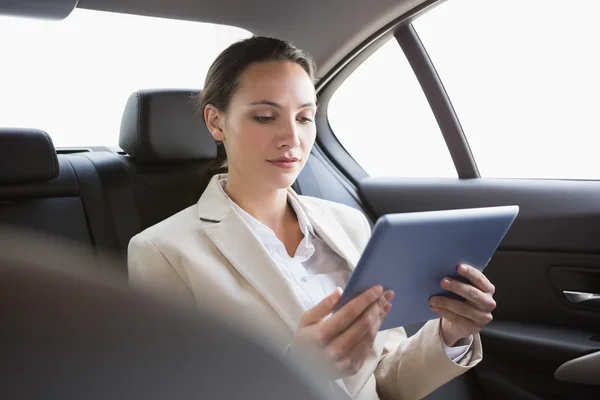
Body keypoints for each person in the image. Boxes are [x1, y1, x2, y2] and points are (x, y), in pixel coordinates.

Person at [127, 36, 497, 400]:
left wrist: (451, 334)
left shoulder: (348, 224)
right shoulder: (163, 251)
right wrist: (296, 370)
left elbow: (386, 382)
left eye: (304, 117)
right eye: (265, 116)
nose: (292, 137)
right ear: (216, 122)